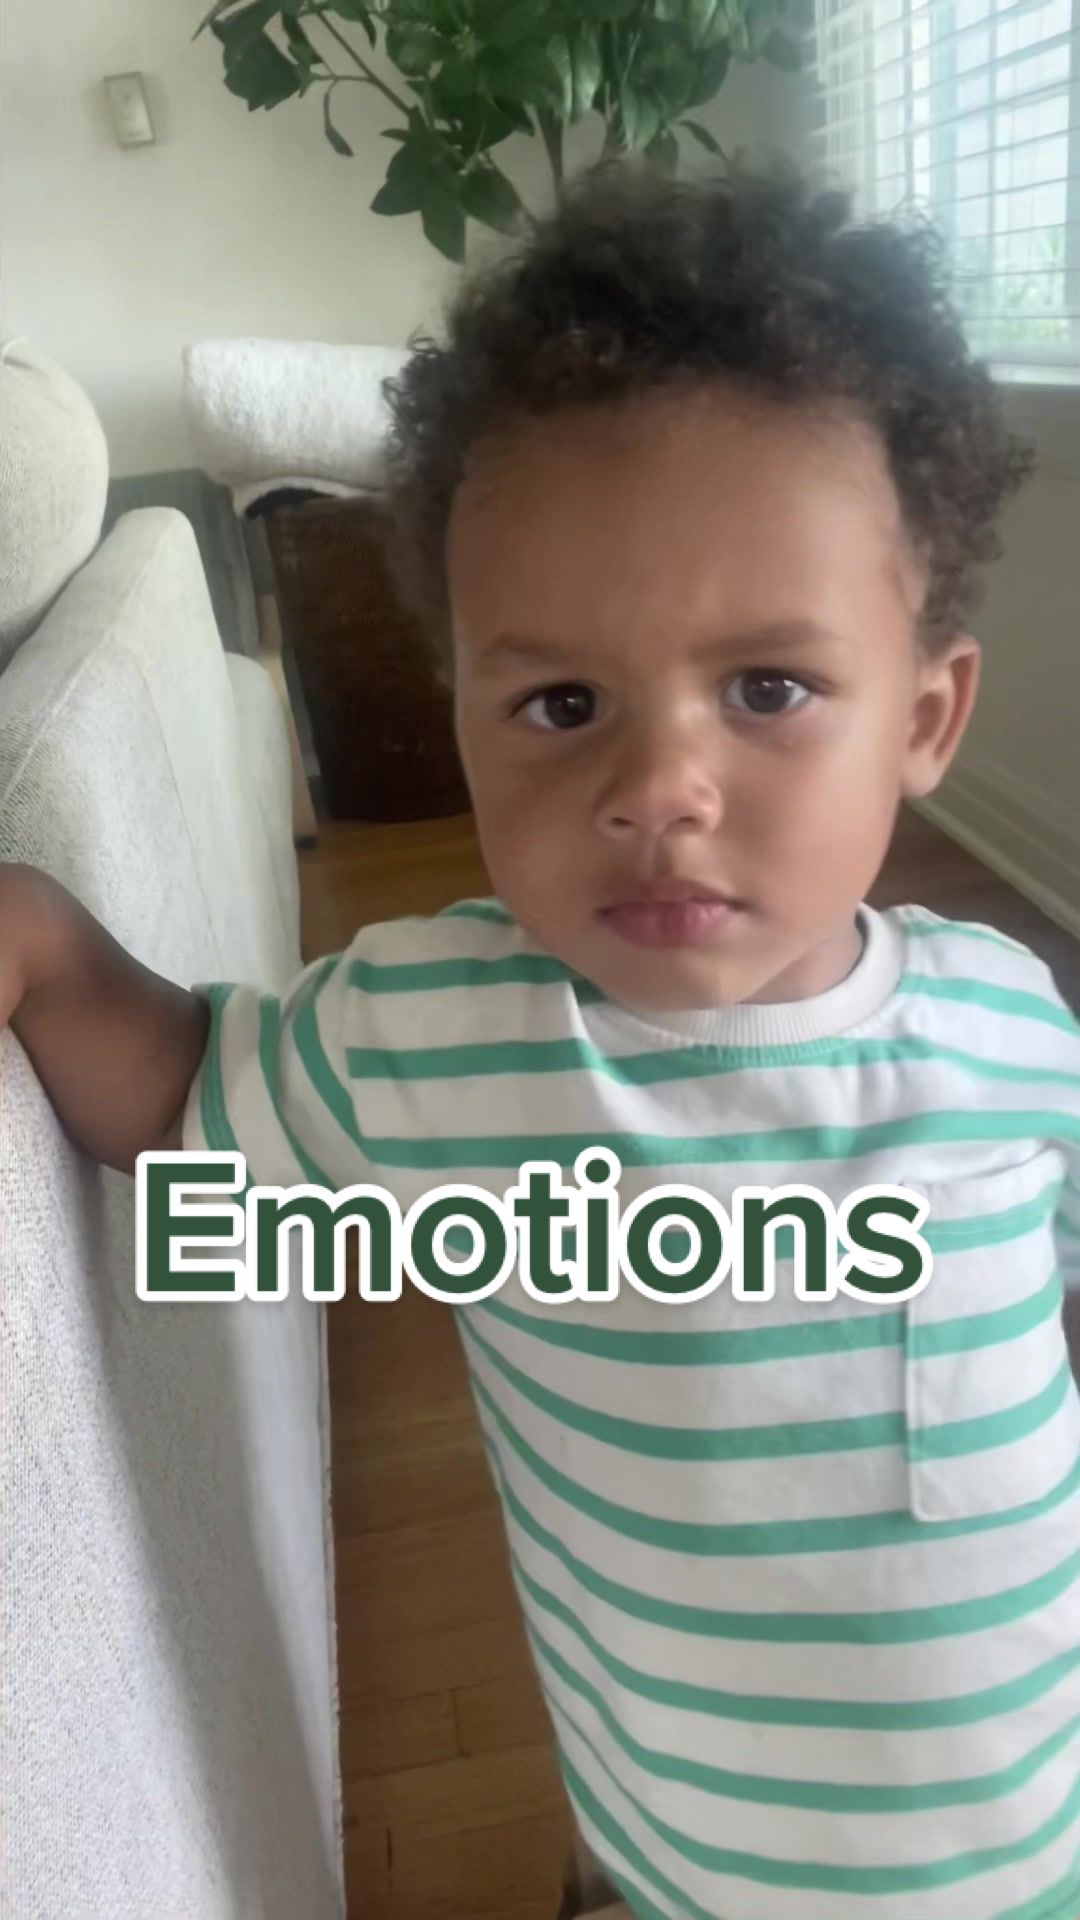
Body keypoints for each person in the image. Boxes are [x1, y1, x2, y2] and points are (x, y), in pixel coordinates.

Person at [4, 162, 1080, 1920]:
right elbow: (188, 1098)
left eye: (770, 688)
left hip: (1030, 1848)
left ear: (925, 714)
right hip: (684, 1869)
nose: (657, 787)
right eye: (561, 703)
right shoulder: (436, 1038)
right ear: (462, 721)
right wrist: (45, 944)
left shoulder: (1011, 1028)